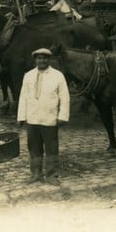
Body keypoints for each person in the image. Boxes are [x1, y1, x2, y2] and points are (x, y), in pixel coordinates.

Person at [17, 48, 70, 185]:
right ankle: (36, 173)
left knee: (51, 148)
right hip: (32, 118)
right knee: (34, 147)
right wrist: (21, 116)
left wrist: (62, 115)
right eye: (39, 58)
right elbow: (23, 97)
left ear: (49, 60)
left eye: (45, 58)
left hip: (49, 118)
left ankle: (52, 174)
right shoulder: (28, 75)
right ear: (35, 60)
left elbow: (65, 97)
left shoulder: (58, 76)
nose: (42, 61)